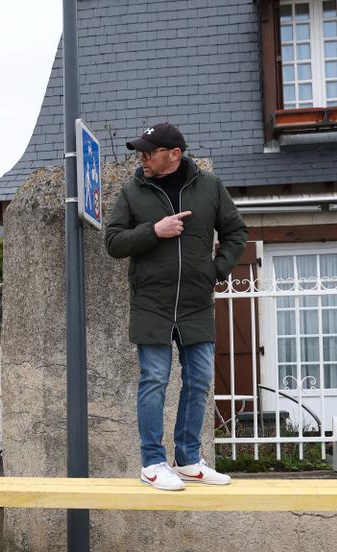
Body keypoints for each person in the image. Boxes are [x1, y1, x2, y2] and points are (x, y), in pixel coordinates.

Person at [105, 122, 248, 491]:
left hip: (196, 302)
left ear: (174, 154)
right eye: (141, 151)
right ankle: (152, 463)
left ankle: (187, 460)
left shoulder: (210, 188)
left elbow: (236, 232)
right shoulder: (133, 192)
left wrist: (216, 271)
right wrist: (155, 230)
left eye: (148, 152)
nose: (142, 158)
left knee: (199, 379)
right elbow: (114, 241)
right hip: (151, 302)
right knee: (154, 380)